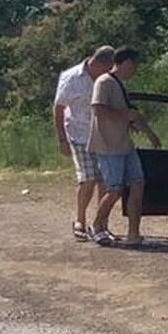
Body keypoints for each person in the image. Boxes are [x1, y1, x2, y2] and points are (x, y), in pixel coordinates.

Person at [88, 47, 160, 246]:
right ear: (125, 62)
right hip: (108, 146)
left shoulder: (120, 85)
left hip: (125, 145)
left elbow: (129, 114)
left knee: (138, 184)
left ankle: (133, 235)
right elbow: (98, 109)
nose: (135, 69)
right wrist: (124, 115)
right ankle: (97, 226)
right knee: (114, 190)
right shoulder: (103, 82)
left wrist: (149, 134)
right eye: (134, 64)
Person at [53, 46, 116, 241]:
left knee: (105, 180)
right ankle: (79, 220)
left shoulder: (109, 79)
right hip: (79, 135)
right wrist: (62, 139)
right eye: (106, 69)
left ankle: (100, 223)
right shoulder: (72, 78)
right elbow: (58, 108)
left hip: (103, 135)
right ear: (97, 63)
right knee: (88, 178)